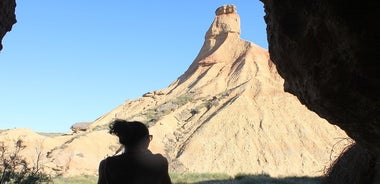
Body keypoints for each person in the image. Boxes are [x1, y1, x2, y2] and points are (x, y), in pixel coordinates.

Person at [98, 119, 172, 184]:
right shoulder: (159, 162)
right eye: (149, 137)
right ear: (145, 139)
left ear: (122, 140)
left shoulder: (107, 165)